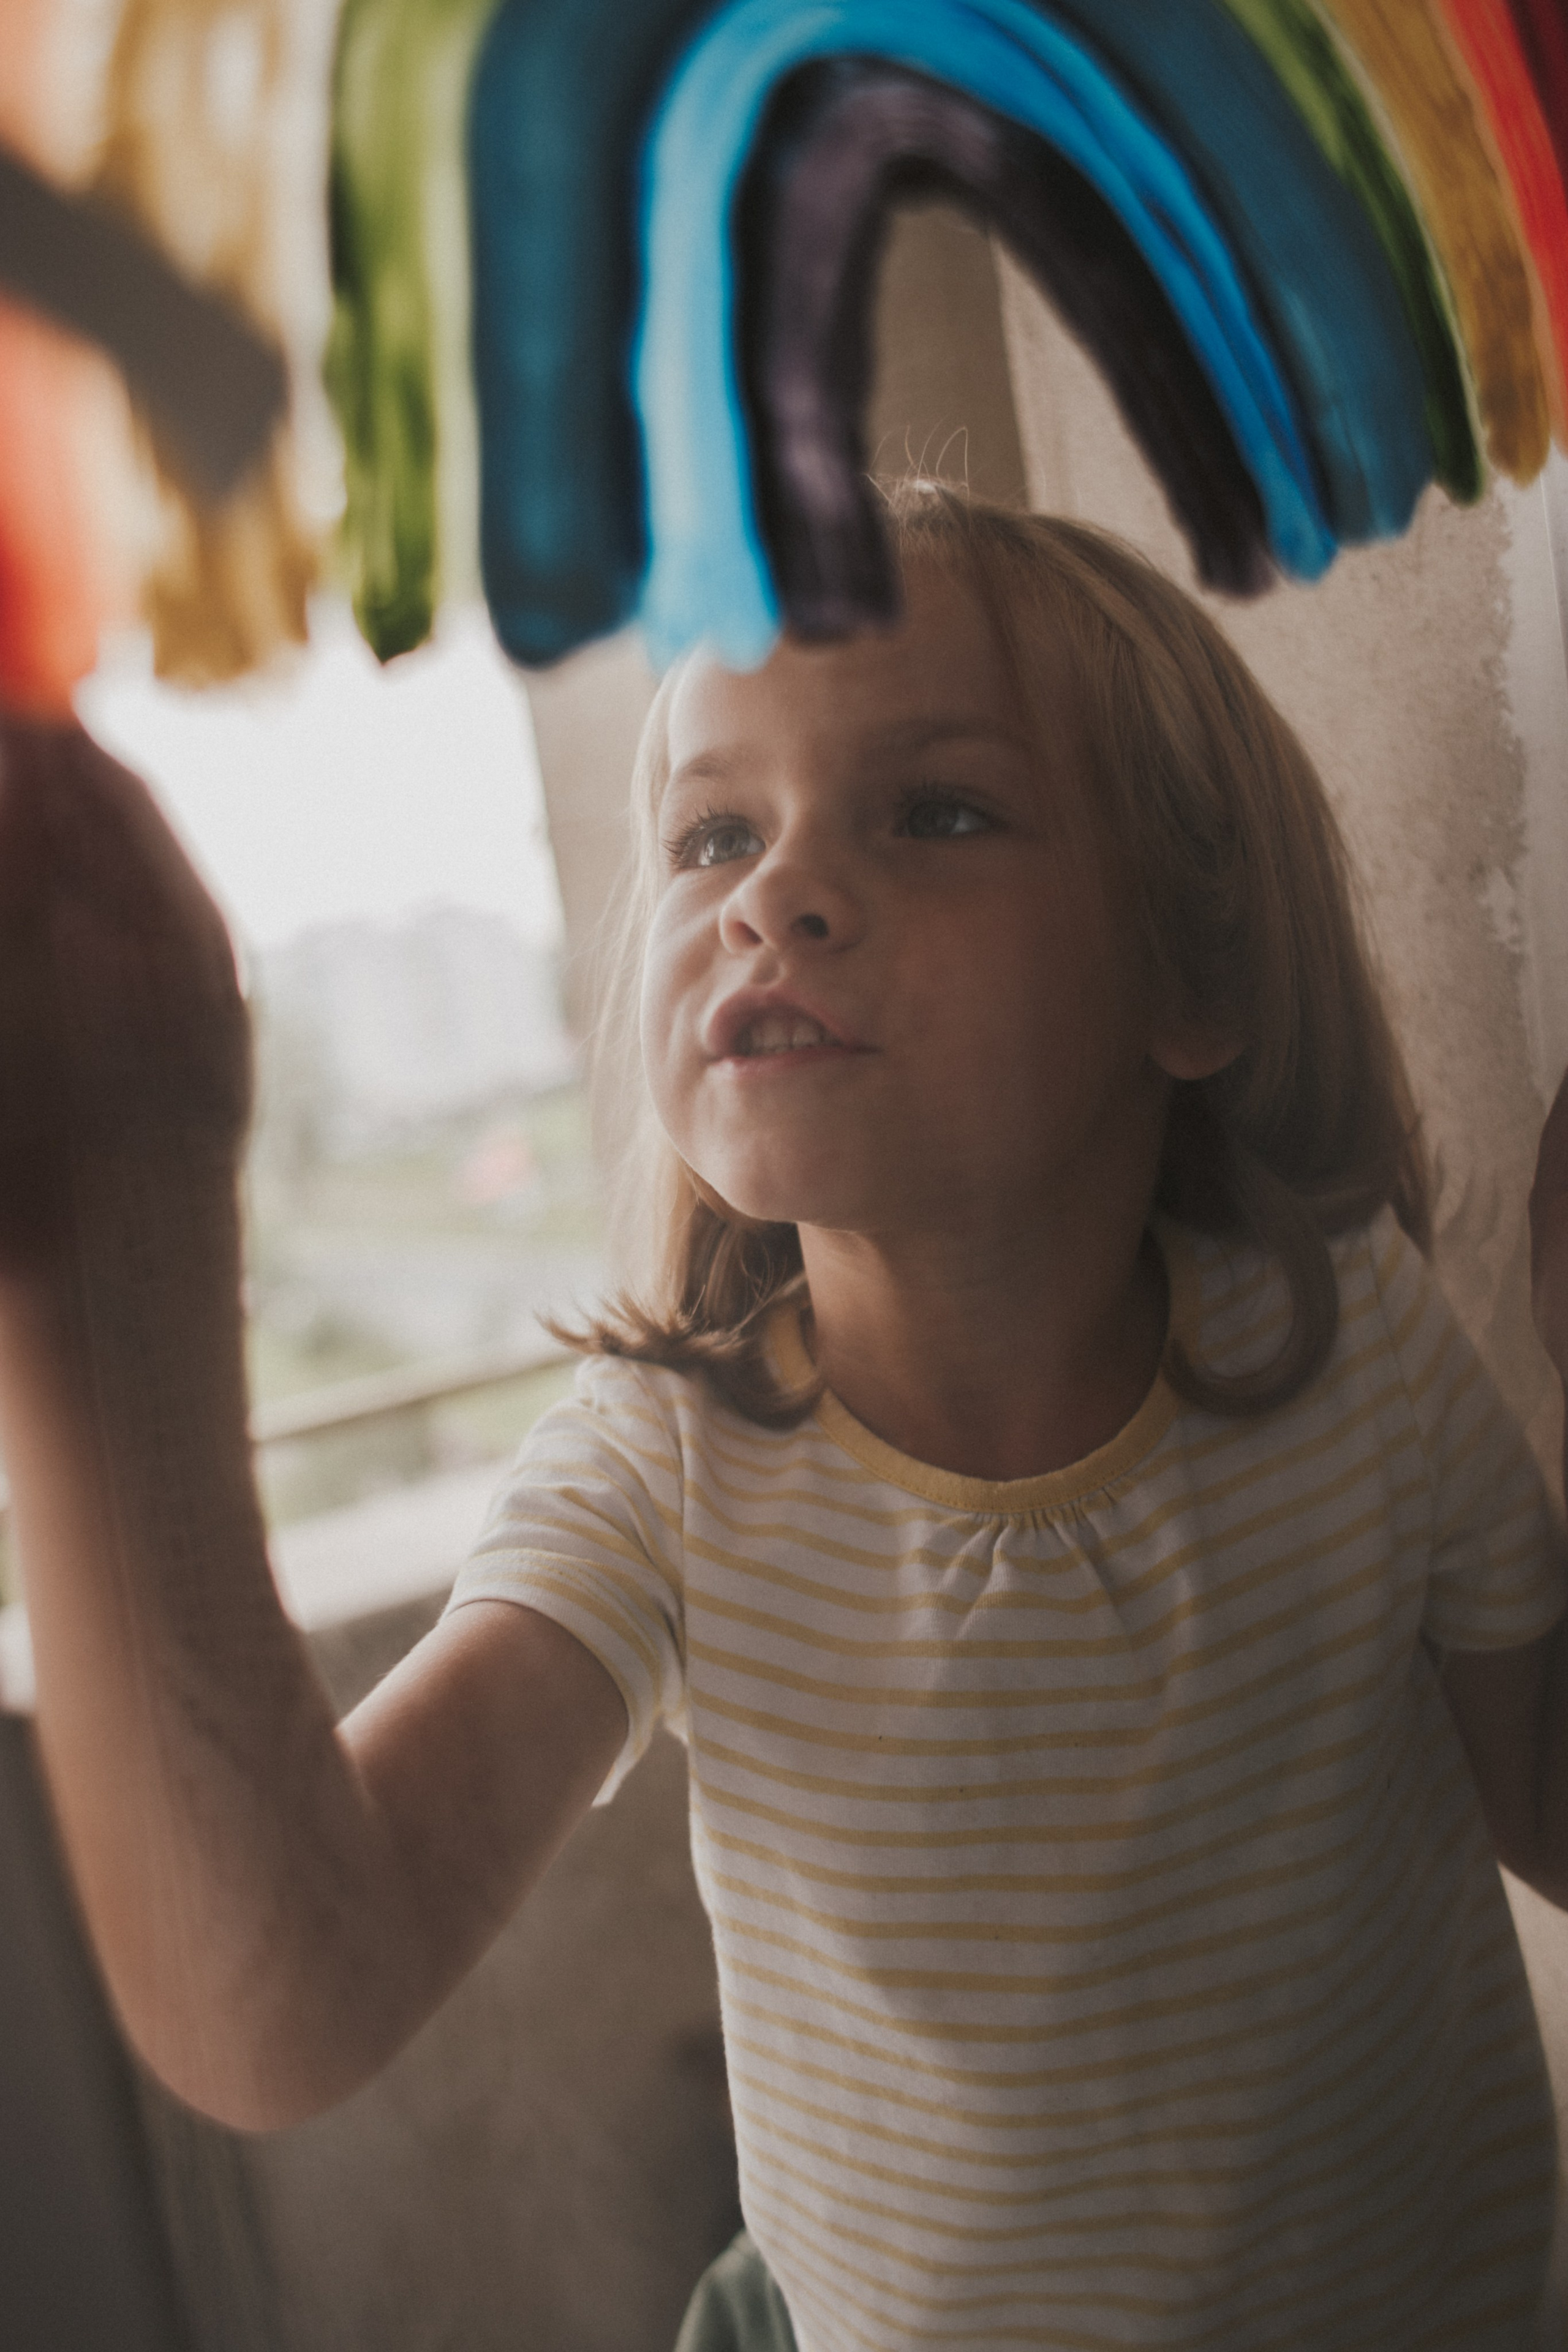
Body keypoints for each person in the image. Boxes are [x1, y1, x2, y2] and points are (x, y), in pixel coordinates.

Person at [0, 484, 1565, 2351]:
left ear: (1193, 975)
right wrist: (109, 1237)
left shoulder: (1353, 1351)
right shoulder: (667, 1470)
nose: (771, 894)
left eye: (938, 810)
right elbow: (279, 1994)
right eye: (713, 831)